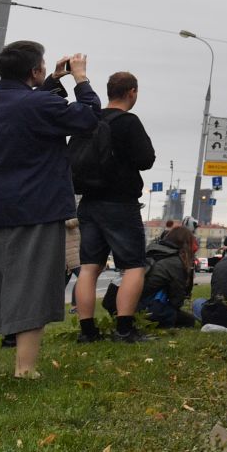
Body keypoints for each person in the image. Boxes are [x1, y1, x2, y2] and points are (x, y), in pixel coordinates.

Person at [0, 42, 102, 384]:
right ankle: (25, 369)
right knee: (32, 285)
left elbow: (30, 109)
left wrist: (52, 80)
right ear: (35, 71)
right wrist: (80, 79)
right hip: (35, 209)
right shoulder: (39, 103)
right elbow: (88, 117)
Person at [72, 71, 157, 344]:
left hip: (88, 203)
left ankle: (87, 331)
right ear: (132, 92)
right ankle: (124, 329)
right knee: (133, 266)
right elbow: (146, 159)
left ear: (109, 92)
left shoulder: (90, 118)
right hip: (120, 203)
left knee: (88, 267)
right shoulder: (128, 122)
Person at [131, 224, 198, 328]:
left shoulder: (151, 250)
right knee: (189, 321)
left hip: (123, 303)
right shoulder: (175, 261)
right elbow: (176, 299)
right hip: (141, 307)